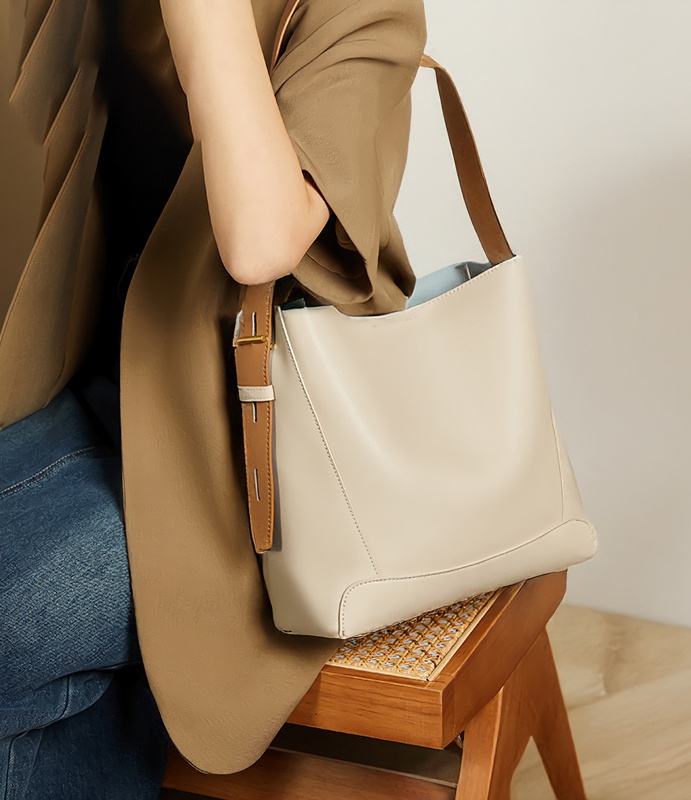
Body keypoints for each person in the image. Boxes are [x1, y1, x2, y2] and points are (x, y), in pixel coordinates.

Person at [0, 0, 427, 796]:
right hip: (81, 394)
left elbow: (259, 241)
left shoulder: (366, 15)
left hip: (255, 456)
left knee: (16, 610)